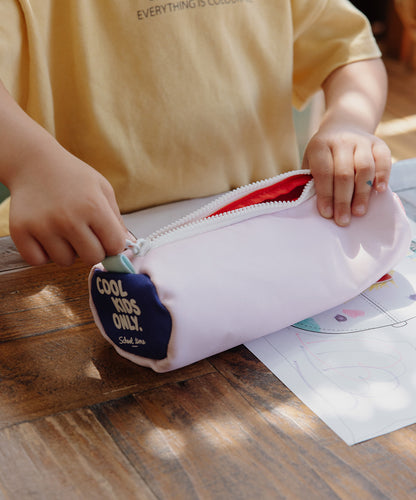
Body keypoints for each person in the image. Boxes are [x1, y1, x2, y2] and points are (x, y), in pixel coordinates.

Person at [0, 0, 391, 267]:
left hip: (264, 237)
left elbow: (350, 52)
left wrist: (349, 123)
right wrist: (30, 163)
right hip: (82, 250)